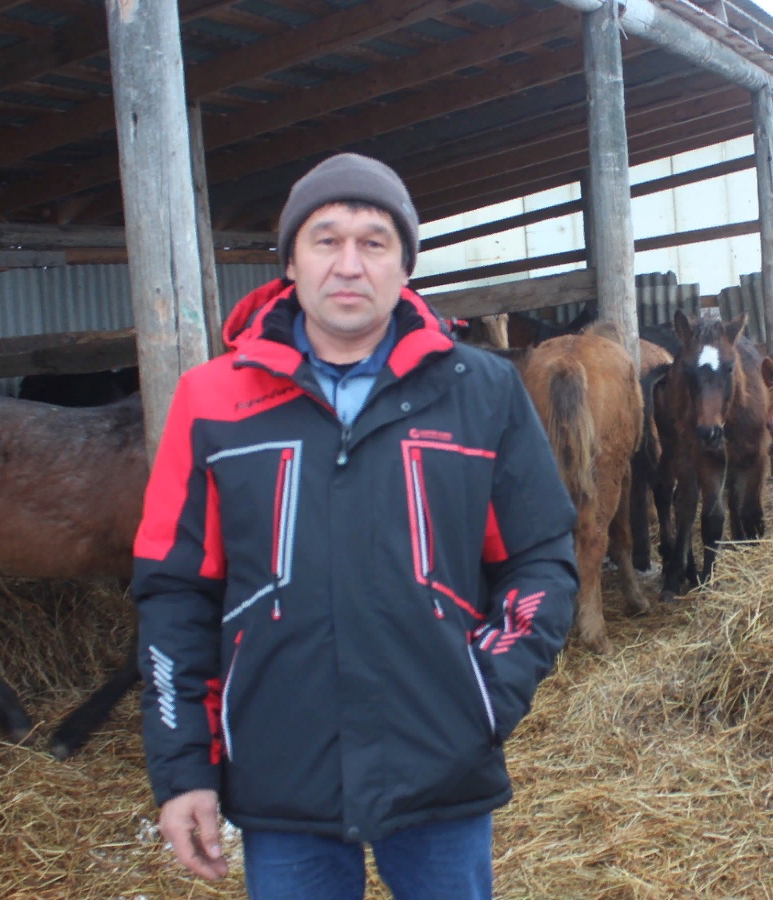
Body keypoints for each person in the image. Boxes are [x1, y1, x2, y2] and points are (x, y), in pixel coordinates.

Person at [132, 152, 578, 898]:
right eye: (325, 240)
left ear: (405, 265)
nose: (348, 264)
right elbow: (175, 591)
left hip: (441, 764)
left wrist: (483, 691)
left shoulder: (482, 391)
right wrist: (183, 770)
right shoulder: (210, 401)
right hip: (281, 771)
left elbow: (541, 561)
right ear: (290, 263)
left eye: (374, 242)